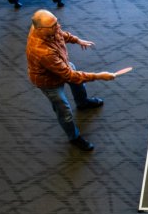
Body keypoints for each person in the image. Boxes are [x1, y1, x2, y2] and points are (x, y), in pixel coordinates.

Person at [26, 9, 116, 151]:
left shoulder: (46, 29)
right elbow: (70, 76)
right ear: (41, 30)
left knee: (78, 83)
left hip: (60, 64)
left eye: (57, 22)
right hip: (49, 82)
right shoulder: (43, 52)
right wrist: (100, 76)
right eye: (54, 26)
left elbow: (60, 34)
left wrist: (76, 40)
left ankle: (82, 103)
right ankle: (74, 137)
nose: (59, 27)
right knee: (64, 111)